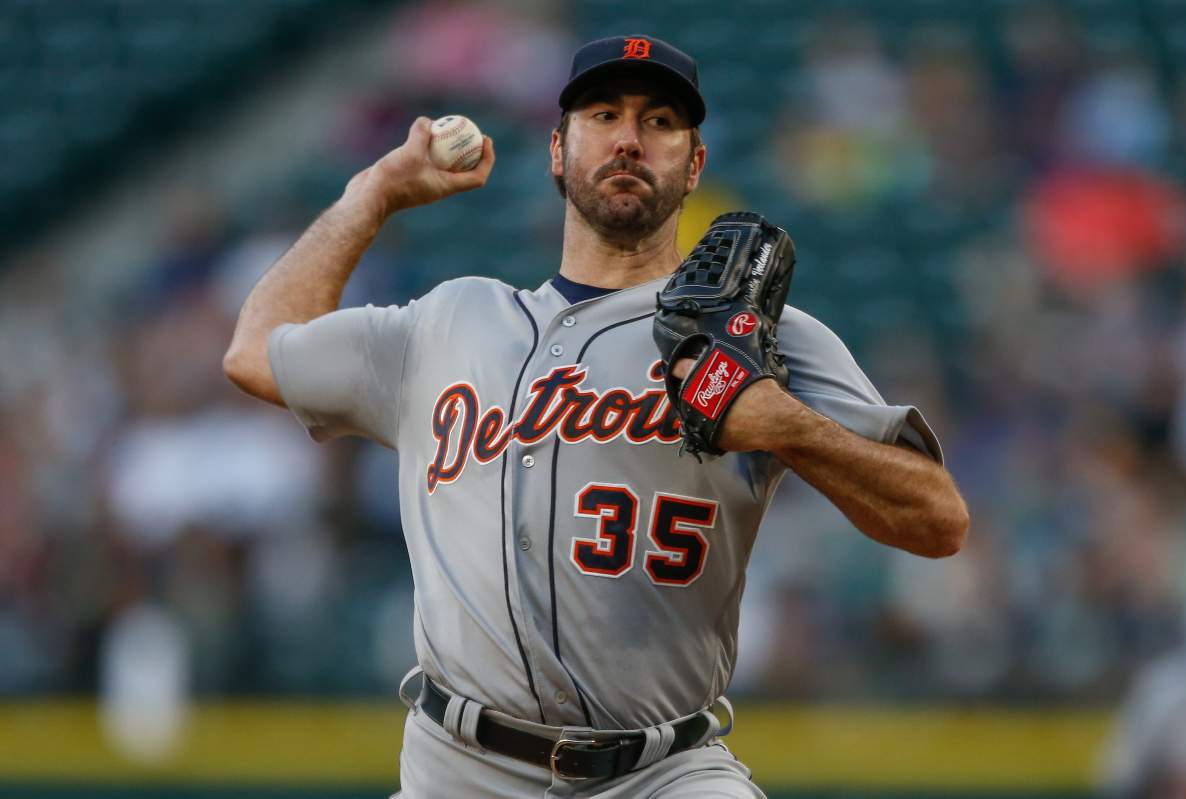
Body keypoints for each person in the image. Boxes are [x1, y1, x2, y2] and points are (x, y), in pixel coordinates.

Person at [223, 34, 969, 799]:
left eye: (660, 121)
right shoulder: (447, 322)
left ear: (695, 164)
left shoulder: (760, 338)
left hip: (664, 772)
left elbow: (938, 519)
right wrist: (373, 194)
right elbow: (255, 352)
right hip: (458, 768)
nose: (629, 139)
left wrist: (787, 425)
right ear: (557, 151)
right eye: (604, 114)